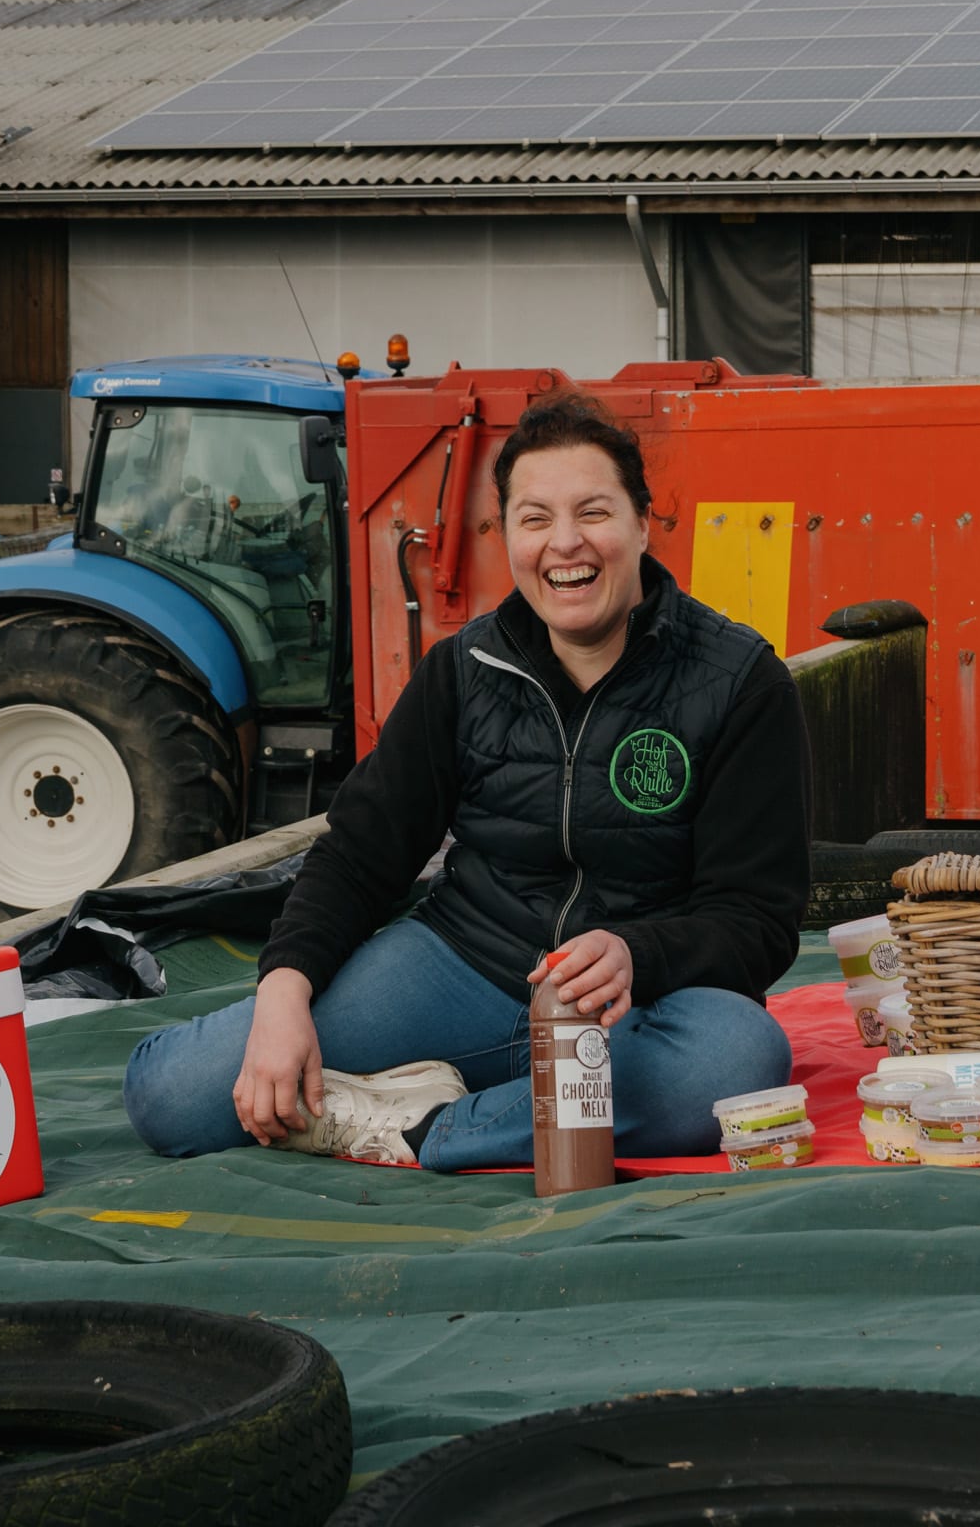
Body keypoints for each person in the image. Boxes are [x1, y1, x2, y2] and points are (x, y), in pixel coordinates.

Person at [123, 390, 810, 1171]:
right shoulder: (464, 669)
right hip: (460, 967)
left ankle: (422, 1128)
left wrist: (637, 951)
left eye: (593, 512)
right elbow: (360, 854)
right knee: (172, 1093)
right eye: (535, 518)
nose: (565, 543)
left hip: (637, 1008)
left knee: (732, 1065)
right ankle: (500, 1102)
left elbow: (756, 920)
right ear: (506, 533)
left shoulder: (739, 682)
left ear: (643, 524)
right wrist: (285, 989)